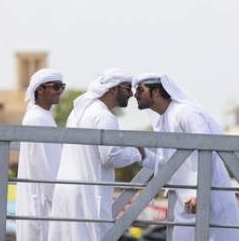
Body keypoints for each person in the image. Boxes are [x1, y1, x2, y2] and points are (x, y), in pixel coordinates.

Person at [134, 73, 239, 241]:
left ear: (156, 92)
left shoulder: (185, 112)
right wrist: (142, 155)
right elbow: (168, 165)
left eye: (140, 90)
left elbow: (209, 150)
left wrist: (200, 191)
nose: (135, 95)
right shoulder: (165, 119)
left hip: (211, 196)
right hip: (187, 202)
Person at [48, 68, 146, 241]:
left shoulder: (78, 112)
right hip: (89, 196)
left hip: (68, 192)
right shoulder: (104, 116)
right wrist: (137, 153)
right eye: (127, 88)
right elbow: (111, 157)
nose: (131, 94)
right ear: (113, 89)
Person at [16, 68, 66, 241]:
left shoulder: (43, 116)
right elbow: (45, 167)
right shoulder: (37, 118)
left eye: (62, 86)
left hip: (43, 204)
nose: (60, 91)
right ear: (40, 89)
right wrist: (61, 206)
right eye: (56, 86)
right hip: (40, 205)